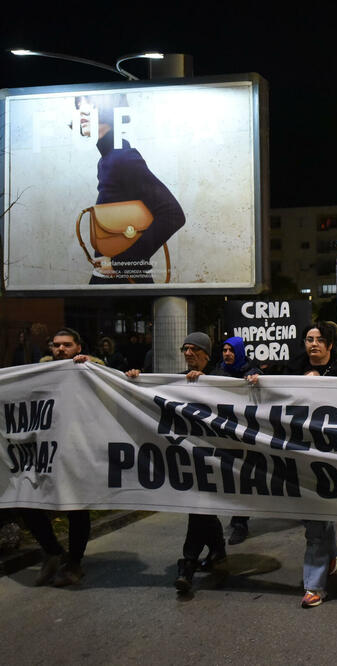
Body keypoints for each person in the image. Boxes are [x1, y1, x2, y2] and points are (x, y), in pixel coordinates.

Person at [127, 332, 232, 594]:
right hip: (186, 456)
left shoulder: (222, 377)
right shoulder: (176, 379)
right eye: (185, 349)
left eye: (194, 349)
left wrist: (207, 383)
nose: (188, 353)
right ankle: (216, 551)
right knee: (200, 506)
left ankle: (187, 564)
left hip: (215, 457)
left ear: (207, 354)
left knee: (199, 507)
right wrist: (133, 380)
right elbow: (152, 394)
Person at [21, 329, 103, 587]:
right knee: (27, 500)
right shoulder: (38, 372)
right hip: (43, 450)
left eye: (67, 345)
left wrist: (93, 368)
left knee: (76, 507)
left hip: (76, 448)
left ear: (78, 347)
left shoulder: (91, 370)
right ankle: (54, 552)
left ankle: (74, 563)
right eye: (56, 345)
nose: (61, 349)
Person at [74, 94, 185, 284]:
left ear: (111, 112)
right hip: (114, 281)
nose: (81, 111)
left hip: (123, 284)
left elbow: (173, 214)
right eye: (78, 106)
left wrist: (120, 264)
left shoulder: (122, 158)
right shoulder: (107, 160)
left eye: (91, 104)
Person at [294, 324, 337, 607]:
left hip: (331, 455)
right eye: (309, 339)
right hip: (300, 453)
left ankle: (314, 586)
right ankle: (332, 546)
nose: (313, 344)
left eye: (319, 340)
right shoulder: (292, 369)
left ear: (329, 346)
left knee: (315, 520)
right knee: (312, 514)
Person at [210, 336, 261, 545]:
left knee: (242, 478)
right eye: (224, 350)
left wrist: (258, 381)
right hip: (223, 435)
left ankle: (240, 522)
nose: (227, 354)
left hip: (244, 436)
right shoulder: (217, 372)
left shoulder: (251, 371)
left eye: (231, 350)